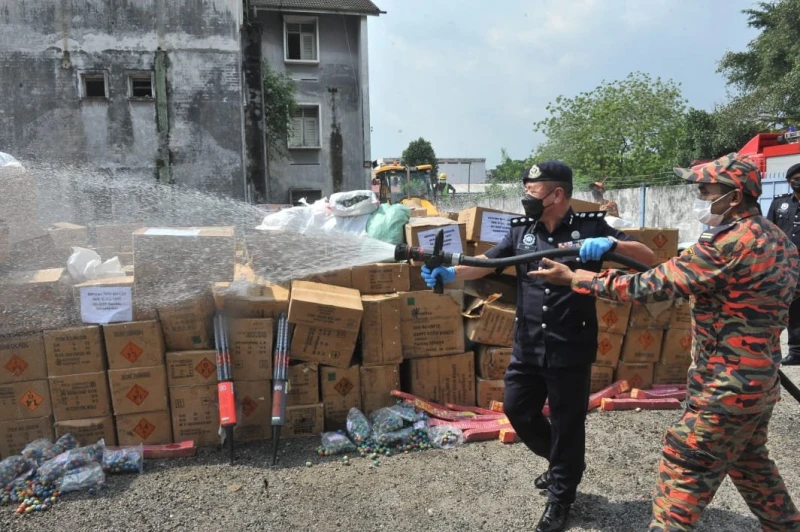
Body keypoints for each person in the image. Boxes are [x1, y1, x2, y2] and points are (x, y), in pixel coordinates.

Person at [532, 153, 800, 531]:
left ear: (735, 196)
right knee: (751, 462)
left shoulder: (727, 243)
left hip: (724, 388)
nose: (702, 199)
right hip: (760, 384)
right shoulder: (780, 241)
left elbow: (649, 285)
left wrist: (575, 278)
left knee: (684, 465)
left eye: (706, 191)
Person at [421, 161, 655, 532]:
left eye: (532, 191)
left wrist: (612, 243)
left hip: (570, 345)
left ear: (556, 194)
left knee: (567, 421)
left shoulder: (590, 227)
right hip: (528, 344)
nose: (526, 197)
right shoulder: (522, 231)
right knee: (518, 410)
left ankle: (562, 497)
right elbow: (485, 263)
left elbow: (648, 259)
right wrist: (451, 273)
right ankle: (566, 465)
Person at [767, 162, 800, 365]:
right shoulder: (780, 203)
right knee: (792, 309)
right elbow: (770, 232)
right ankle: (796, 352)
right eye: (795, 179)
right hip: (788, 266)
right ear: (789, 182)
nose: (798, 183)